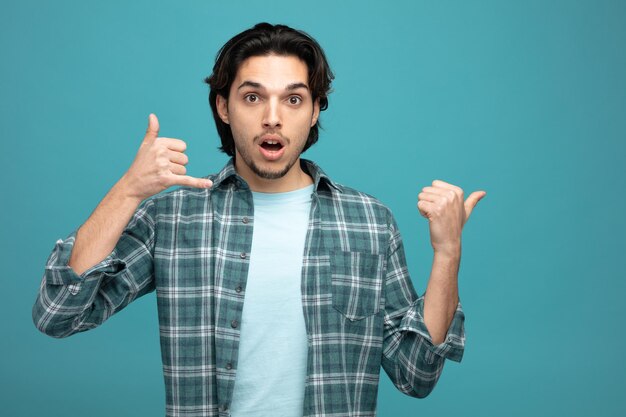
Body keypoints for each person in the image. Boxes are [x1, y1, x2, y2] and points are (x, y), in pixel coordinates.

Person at [32, 22, 486, 417]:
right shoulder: (173, 217)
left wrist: (448, 253)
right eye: (253, 97)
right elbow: (58, 314)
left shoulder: (369, 222)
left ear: (313, 113)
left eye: (293, 99)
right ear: (224, 107)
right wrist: (128, 189)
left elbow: (416, 373)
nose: (273, 118)